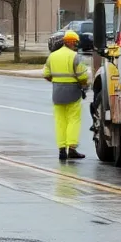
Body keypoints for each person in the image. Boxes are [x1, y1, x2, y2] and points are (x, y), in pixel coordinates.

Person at [43, 29, 90, 161]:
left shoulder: (52, 56)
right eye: (75, 43)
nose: (76, 45)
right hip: (73, 92)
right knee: (73, 120)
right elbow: (83, 76)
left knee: (60, 122)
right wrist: (84, 85)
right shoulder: (75, 57)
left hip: (57, 92)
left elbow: (46, 74)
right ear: (72, 43)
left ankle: (62, 150)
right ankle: (72, 148)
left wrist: (57, 81)